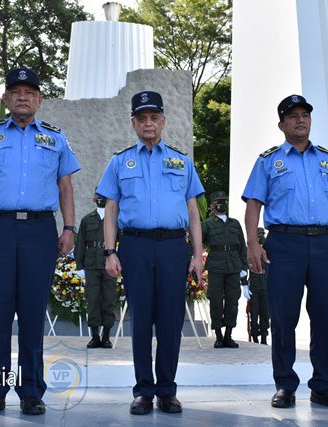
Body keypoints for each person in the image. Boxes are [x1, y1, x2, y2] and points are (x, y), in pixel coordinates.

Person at [0, 67, 80, 417]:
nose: (23, 97)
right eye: (16, 92)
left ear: (39, 100)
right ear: (6, 99)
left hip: (39, 230)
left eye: (29, 93)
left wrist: (69, 228)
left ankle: (31, 392)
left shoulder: (55, 138)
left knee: (32, 313)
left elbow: (66, 186)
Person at [243, 94, 328, 409]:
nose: (300, 120)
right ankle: (285, 385)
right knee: (284, 318)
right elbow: (253, 203)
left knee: (324, 317)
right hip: (284, 243)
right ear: (282, 124)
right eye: (293, 116)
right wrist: (253, 243)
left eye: (305, 115)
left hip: (325, 243)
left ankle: (323, 386)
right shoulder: (268, 161)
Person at [97, 91, 204, 415]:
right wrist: (110, 251)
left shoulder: (182, 162)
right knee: (141, 320)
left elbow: (194, 212)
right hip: (136, 246)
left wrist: (197, 255)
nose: (148, 123)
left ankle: (167, 391)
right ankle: (144, 390)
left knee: (171, 322)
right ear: (133, 123)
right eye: (142, 118)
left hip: (173, 247)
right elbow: (111, 211)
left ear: (163, 121)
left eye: (154, 117)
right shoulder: (119, 162)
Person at [201, 191, 247, 349]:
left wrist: (244, 267)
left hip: (233, 265)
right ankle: (219, 336)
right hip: (216, 265)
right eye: (218, 202)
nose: (221, 204)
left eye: (224, 201)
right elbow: (198, 243)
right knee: (215, 300)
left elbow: (242, 246)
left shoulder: (235, 223)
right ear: (212, 205)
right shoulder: (207, 224)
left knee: (233, 301)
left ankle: (229, 335)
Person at [74, 192, 117, 349]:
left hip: (108, 264)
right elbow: (80, 244)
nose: (100, 199)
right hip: (91, 265)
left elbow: (121, 242)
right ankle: (94, 336)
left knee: (109, 300)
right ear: (94, 199)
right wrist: (79, 265)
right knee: (92, 300)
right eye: (98, 196)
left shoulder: (115, 219)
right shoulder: (87, 220)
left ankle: (106, 336)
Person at [248, 227, 269, 345]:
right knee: (254, 312)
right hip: (255, 284)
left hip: (265, 284)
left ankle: (264, 336)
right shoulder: (250, 249)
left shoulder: (268, 248)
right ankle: (255, 335)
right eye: (259, 235)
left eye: (262, 235)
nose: (261, 237)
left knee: (265, 313)